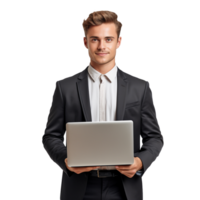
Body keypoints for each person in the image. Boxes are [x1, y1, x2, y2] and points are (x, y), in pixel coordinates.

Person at [41, 9, 164, 200]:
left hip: (125, 188)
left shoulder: (140, 87)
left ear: (119, 42)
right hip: (79, 187)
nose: (101, 46)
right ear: (85, 43)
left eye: (108, 39)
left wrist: (140, 162)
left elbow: (155, 138)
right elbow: (50, 136)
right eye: (95, 39)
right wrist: (67, 161)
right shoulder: (64, 87)